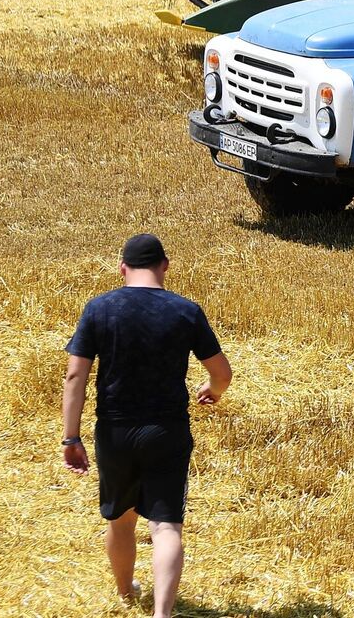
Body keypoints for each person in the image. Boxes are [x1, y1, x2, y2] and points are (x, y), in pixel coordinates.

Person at [62, 234, 232, 618]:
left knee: (121, 520)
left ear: (122, 268)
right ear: (165, 266)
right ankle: (162, 614)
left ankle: (125, 592)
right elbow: (221, 373)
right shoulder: (185, 311)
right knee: (166, 527)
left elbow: (75, 376)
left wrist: (70, 436)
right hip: (167, 431)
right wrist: (213, 390)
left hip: (115, 430)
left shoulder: (100, 308)